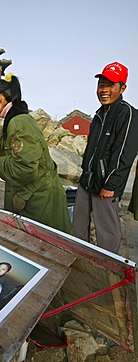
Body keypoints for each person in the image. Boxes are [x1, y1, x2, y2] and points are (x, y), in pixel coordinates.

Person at [0, 73, 72, 234]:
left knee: (45, 246)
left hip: (39, 199)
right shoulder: (16, 119)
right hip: (35, 194)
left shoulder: (18, 122)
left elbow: (24, 168)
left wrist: (3, 164)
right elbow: (0, 139)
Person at [73, 62, 138, 253]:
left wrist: (111, 185)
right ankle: (82, 259)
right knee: (79, 225)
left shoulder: (127, 113)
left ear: (122, 88)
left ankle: (108, 267)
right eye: (101, 85)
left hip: (105, 185)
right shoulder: (99, 115)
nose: (104, 90)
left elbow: (125, 154)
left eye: (111, 85)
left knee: (107, 232)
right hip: (88, 179)